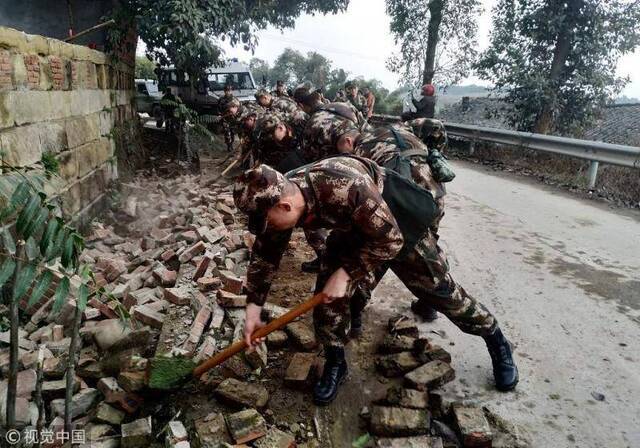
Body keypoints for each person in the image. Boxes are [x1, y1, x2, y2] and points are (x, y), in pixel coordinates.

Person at [234, 158, 519, 406]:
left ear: (285, 206)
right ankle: (336, 361)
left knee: (442, 294)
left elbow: (390, 241)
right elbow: (265, 256)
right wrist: (253, 309)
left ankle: (495, 339)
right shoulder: (281, 196)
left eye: (268, 223)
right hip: (354, 228)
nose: (267, 231)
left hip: (395, 223)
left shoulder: (345, 186)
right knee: (327, 299)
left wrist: (345, 273)